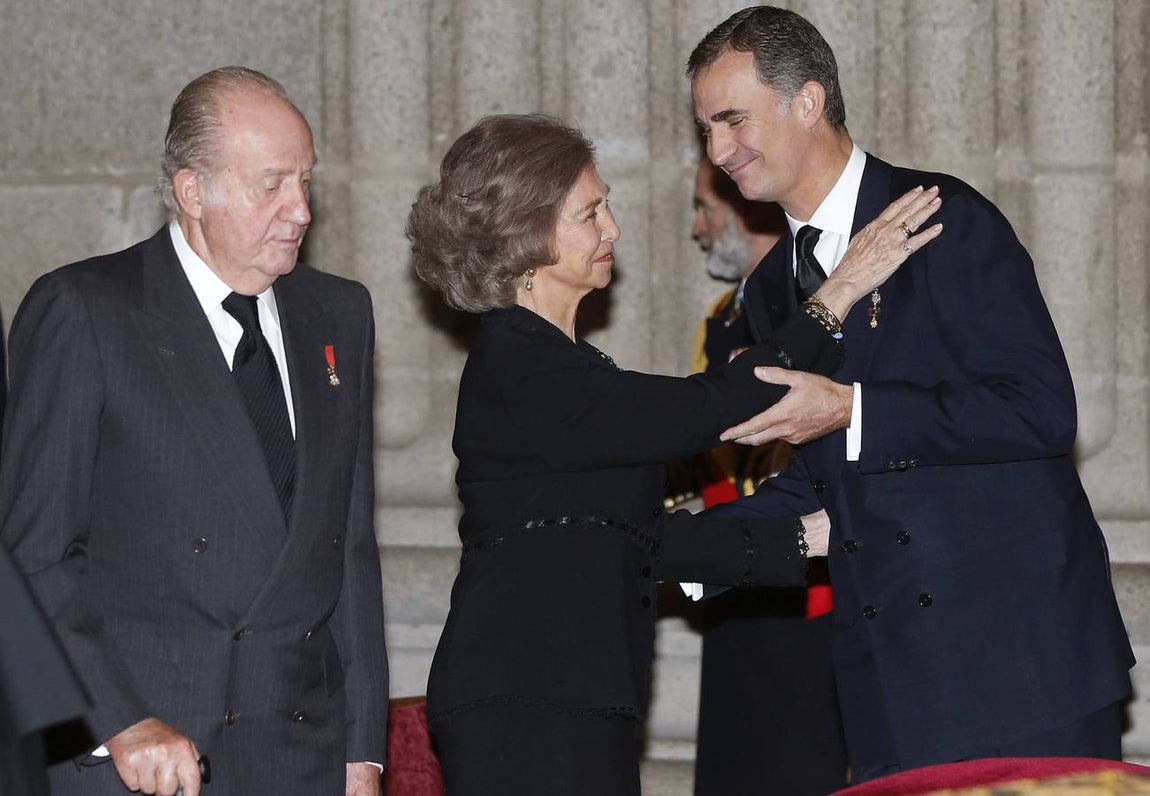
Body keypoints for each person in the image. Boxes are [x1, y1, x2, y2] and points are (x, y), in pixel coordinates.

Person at [406, 112, 940, 795]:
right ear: (526, 233)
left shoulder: (565, 370)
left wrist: (811, 536)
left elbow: (640, 543)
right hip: (525, 701)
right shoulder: (520, 367)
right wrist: (840, 289)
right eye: (591, 212)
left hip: (571, 697)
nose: (613, 230)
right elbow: (708, 409)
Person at [688, 6, 1134, 783]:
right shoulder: (768, 291)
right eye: (705, 129)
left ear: (807, 101)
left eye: (732, 120)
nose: (717, 152)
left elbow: (1040, 408)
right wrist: (676, 553)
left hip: (1020, 662)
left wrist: (854, 409)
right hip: (888, 680)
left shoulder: (942, 219)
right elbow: (824, 476)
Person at [0, 66, 388, 796]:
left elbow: (350, 552)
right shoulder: (87, 311)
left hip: (298, 755)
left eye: (306, 181)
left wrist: (362, 750)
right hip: (147, 757)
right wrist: (117, 719)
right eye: (271, 184)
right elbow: (34, 555)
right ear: (191, 192)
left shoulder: (339, 314)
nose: (299, 210)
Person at [687, 159, 847, 795]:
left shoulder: (817, 306)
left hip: (808, 581)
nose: (699, 227)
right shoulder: (728, 312)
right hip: (733, 567)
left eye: (704, 206)